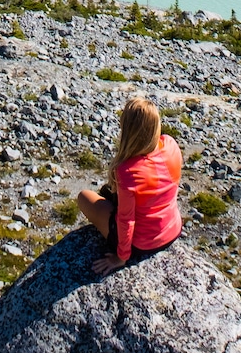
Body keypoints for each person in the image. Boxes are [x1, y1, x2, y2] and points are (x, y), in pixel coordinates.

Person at [77, 94, 183, 275]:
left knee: (84, 197)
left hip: (142, 244)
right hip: (172, 230)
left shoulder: (127, 171)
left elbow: (127, 221)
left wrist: (121, 257)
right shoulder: (170, 144)